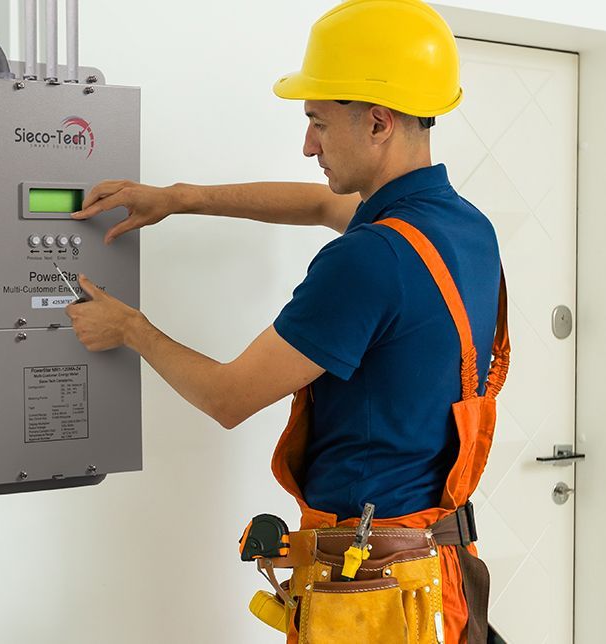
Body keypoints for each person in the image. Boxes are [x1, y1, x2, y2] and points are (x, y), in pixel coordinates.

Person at [66, 1, 510, 642]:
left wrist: (129, 328)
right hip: (443, 581)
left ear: (380, 122)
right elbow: (318, 204)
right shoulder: (465, 228)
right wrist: (176, 199)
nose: (309, 145)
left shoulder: (367, 259)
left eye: (318, 122)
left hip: (371, 599)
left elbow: (227, 397)